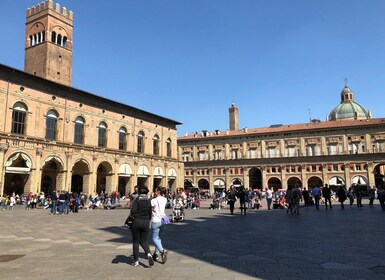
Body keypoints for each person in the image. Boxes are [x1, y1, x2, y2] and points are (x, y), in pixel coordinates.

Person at [130, 186, 154, 267]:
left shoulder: (137, 199)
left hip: (137, 221)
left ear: (139, 192)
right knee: (144, 240)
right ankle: (149, 255)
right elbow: (150, 213)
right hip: (146, 222)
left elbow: (133, 211)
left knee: (136, 241)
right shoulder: (148, 201)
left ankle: (136, 261)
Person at [151, 186, 168, 264]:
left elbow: (150, 208)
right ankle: (156, 254)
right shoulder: (165, 199)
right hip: (163, 221)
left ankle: (162, 251)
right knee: (158, 238)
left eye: (155, 191)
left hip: (155, 220)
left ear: (158, 192)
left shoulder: (153, 200)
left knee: (155, 238)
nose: (154, 192)